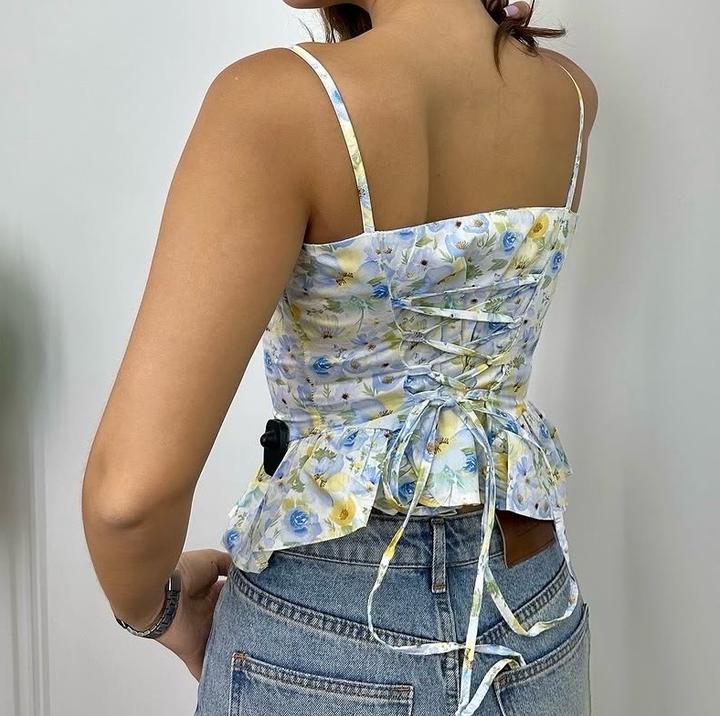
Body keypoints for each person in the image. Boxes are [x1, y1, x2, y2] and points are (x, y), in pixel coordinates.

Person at [81, 1, 598, 715]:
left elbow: (128, 500)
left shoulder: (277, 103)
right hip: (531, 606)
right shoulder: (569, 95)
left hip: (325, 625)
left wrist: (159, 611)